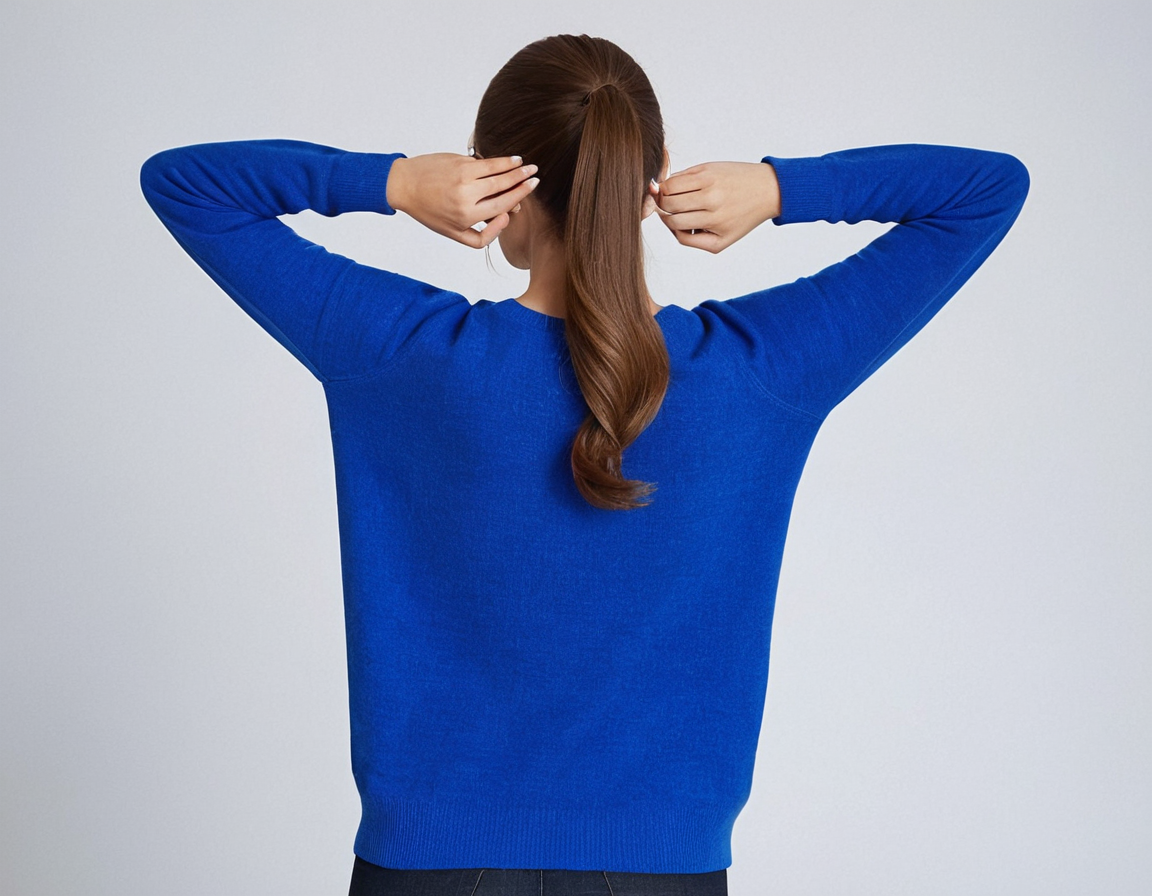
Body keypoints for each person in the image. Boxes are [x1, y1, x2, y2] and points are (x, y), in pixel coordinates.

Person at [139, 32, 1029, 896]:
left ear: (497, 182)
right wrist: (778, 189)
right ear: (649, 178)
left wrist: (395, 182)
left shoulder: (405, 354)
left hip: (427, 867)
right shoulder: (759, 372)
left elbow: (185, 184)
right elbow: (984, 189)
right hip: (663, 869)